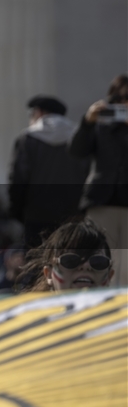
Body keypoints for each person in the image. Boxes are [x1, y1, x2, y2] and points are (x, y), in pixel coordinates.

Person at [69, 74, 128, 288]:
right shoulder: (101, 123)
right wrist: (87, 121)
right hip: (101, 200)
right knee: (97, 258)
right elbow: (76, 151)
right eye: (117, 101)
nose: (123, 106)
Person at [7, 95, 90, 248]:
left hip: (36, 216)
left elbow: (18, 179)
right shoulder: (78, 137)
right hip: (73, 216)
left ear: (39, 112)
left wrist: (17, 212)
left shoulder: (27, 139)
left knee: (37, 265)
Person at [16, 217, 115, 292]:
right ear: (48, 274)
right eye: (71, 260)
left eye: (97, 262)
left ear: (109, 276)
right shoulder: (31, 317)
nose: (85, 266)